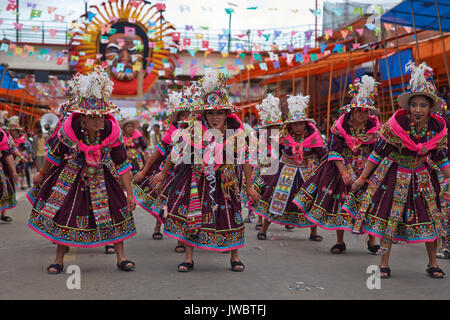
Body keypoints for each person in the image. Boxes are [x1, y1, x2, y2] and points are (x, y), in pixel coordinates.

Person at [27, 67, 137, 274]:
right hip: (71, 175)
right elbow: (54, 155)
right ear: (83, 118)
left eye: (102, 116)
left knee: (116, 211)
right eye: (93, 117)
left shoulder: (112, 131)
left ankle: (121, 257)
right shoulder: (71, 128)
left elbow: (122, 164)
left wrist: (129, 193)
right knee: (65, 212)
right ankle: (59, 259)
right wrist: (41, 174)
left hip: (103, 176)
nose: (99, 121)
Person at [152, 70, 260, 272]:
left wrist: (250, 185)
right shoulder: (194, 130)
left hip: (227, 182)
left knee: (232, 214)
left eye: (219, 112)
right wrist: (163, 173)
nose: (214, 116)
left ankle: (234, 257)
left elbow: (246, 159)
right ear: (204, 114)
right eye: (210, 112)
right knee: (194, 214)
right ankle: (189, 258)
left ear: (226, 114)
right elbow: (177, 152)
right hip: (197, 179)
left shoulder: (236, 133)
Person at [351, 62, 450, 279]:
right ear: (408, 106)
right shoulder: (395, 126)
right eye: (414, 105)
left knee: (431, 218)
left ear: (430, 108)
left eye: (423, 106)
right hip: (394, 175)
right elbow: (377, 153)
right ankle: (384, 263)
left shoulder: (436, 129)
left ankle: (432, 263)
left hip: (423, 176)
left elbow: (440, 156)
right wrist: (362, 178)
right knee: (389, 219)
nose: (417, 110)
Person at [293, 76, 381, 254]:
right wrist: (343, 172)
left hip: (367, 168)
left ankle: (372, 240)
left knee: (368, 203)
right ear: (351, 111)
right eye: (358, 110)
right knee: (340, 202)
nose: (362, 114)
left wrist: (366, 173)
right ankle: (340, 242)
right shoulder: (339, 127)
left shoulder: (374, 129)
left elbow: (376, 151)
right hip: (342, 166)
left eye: (366, 111)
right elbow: (334, 150)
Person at [247, 93, 326, 241]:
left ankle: (313, 232)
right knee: (275, 198)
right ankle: (264, 228)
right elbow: (273, 152)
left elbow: (323, 155)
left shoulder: (314, 138)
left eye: (300, 123)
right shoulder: (283, 137)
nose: (298, 127)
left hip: (306, 173)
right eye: (295, 124)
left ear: (306, 124)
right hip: (285, 172)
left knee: (309, 200)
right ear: (290, 125)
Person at [133, 87, 193, 252]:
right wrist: (145, 171)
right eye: (183, 115)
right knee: (166, 203)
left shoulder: (200, 132)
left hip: (192, 173)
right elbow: (157, 154)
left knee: (188, 205)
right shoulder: (171, 134)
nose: (187, 118)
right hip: (170, 173)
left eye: (189, 114)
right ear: (178, 118)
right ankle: (158, 228)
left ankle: (183, 240)